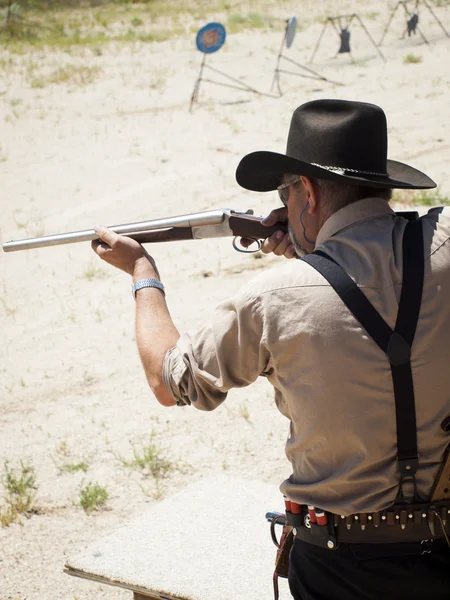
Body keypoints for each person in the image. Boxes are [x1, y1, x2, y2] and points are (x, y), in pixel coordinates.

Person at [92, 99, 450, 600]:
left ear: (305, 190)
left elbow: (168, 381)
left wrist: (142, 274)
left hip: (339, 564)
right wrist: (320, 248)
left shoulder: (272, 296)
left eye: (285, 190)